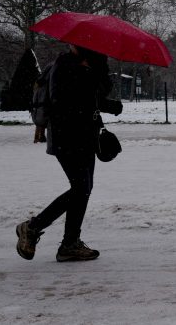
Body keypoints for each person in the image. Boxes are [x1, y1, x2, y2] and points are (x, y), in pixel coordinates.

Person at [15, 45, 122, 262]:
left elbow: (99, 92)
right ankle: (33, 227)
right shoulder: (64, 66)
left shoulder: (92, 65)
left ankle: (70, 243)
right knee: (81, 188)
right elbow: (67, 101)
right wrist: (106, 104)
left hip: (85, 136)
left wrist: (99, 71)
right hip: (67, 136)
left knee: (84, 188)